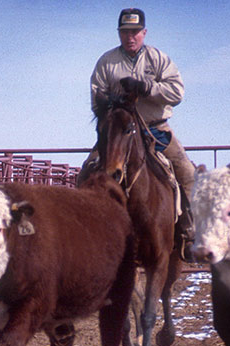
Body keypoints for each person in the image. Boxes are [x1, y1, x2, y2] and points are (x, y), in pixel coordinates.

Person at [82, 8, 196, 252]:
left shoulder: (158, 59)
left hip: (156, 128)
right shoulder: (106, 62)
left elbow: (177, 92)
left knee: (186, 171)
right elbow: (96, 97)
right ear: (119, 34)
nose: (130, 37)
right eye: (125, 32)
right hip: (119, 130)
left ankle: (188, 231)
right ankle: (83, 229)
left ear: (144, 33)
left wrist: (146, 87)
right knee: (86, 172)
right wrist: (115, 102)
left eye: (135, 32)